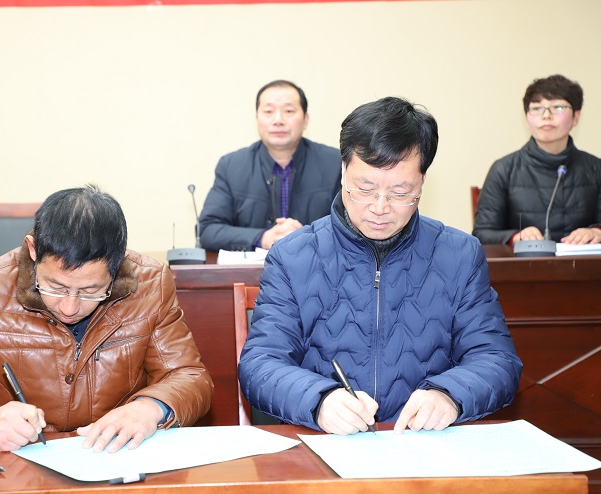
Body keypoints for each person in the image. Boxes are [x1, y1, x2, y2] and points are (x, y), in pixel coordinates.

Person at [238, 97, 522, 436]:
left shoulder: (459, 254)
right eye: (365, 188)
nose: (380, 207)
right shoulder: (292, 256)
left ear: (422, 180)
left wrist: (449, 394)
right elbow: (260, 364)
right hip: (325, 443)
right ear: (343, 171)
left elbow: (497, 360)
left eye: (401, 192)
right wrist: (319, 400)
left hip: (425, 445)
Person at [0, 184, 213, 452]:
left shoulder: (150, 283)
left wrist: (150, 408)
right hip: (14, 468)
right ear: (33, 250)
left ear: (117, 262)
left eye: (91, 291)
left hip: (117, 460)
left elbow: (190, 376)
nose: (69, 307)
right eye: (55, 287)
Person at [199, 80, 341, 251]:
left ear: (305, 120)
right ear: (257, 119)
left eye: (289, 111)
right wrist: (262, 238)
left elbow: (352, 228)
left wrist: (308, 236)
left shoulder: (335, 164)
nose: (278, 120)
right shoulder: (231, 166)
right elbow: (208, 230)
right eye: (268, 111)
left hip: (316, 265)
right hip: (255, 267)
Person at [473, 74, 601, 245]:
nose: (546, 115)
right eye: (537, 108)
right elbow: (482, 233)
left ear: (576, 117)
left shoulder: (596, 168)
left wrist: (596, 232)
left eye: (558, 107)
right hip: (526, 263)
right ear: (526, 118)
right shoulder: (504, 169)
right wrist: (516, 237)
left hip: (582, 262)